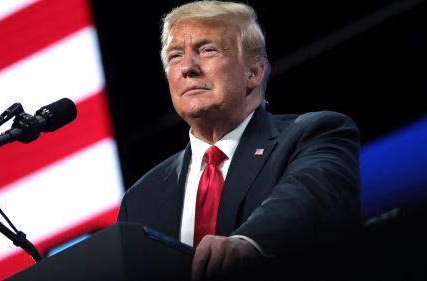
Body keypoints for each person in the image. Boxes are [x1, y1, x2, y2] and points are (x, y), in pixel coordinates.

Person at [117, 1, 361, 280]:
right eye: (175, 56)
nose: (187, 68)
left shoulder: (314, 135)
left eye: (207, 49)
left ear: (254, 72)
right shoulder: (140, 199)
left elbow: (309, 197)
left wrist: (248, 242)